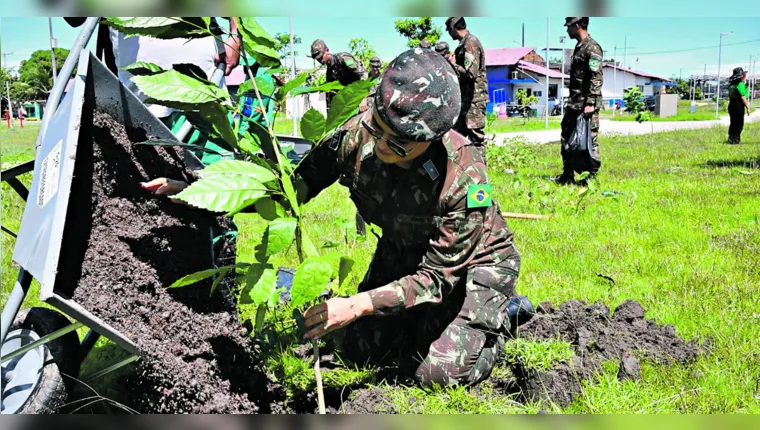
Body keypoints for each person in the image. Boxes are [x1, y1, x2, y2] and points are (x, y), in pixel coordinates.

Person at [295, 49, 533, 388]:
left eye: (401, 143)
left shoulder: (465, 176)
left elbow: (436, 278)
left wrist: (359, 304)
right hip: (405, 249)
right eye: (378, 127)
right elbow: (297, 186)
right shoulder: (356, 134)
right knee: (357, 350)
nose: (382, 146)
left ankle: (499, 317)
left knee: (434, 374)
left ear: (432, 139)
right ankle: (424, 323)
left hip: (471, 266)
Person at [552, 17, 603, 186]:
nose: (567, 31)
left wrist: (590, 102)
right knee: (567, 136)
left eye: (569, 27)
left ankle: (590, 178)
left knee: (589, 140)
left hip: (586, 104)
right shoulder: (579, 47)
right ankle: (567, 175)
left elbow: (596, 77)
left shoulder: (592, 47)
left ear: (578, 26)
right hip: (574, 103)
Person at [445, 17, 489, 156]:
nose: (449, 33)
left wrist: (453, 64)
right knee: (458, 138)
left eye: (449, 30)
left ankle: (480, 174)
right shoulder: (464, 43)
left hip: (473, 101)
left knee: (475, 138)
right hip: (465, 100)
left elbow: (471, 73)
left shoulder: (470, 43)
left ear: (453, 28)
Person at [308, 39, 367, 112]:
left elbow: (363, 75)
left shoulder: (343, 58)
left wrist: (363, 98)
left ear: (327, 50)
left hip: (358, 99)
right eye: (318, 59)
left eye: (321, 56)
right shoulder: (329, 71)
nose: (320, 60)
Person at [726, 67, 752, 144]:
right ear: (741, 75)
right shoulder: (740, 84)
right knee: (739, 123)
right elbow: (743, 97)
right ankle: (735, 139)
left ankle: (731, 138)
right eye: (744, 74)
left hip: (731, 104)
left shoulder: (731, 85)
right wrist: (748, 108)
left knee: (733, 122)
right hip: (738, 105)